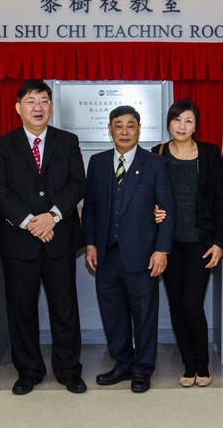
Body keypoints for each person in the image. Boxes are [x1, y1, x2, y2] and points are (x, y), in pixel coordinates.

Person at [0, 79, 87, 395]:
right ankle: (28, 371)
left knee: (65, 308)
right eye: (31, 101)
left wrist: (53, 216)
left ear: (51, 106)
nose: (38, 107)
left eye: (44, 100)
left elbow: (77, 183)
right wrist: (31, 221)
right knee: (21, 310)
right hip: (20, 241)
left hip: (59, 237)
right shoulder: (2, 145)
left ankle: (69, 370)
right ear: (18, 107)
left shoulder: (67, 141)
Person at [82, 105, 175, 393]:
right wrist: (90, 244)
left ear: (139, 128)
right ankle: (122, 363)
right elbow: (91, 209)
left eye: (130, 125)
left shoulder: (155, 163)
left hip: (144, 255)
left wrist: (162, 250)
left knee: (144, 314)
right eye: (118, 125)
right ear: (109, 129)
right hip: (107, 254)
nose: (124, 131)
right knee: (113, 313)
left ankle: (143, 368)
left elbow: (167, 209)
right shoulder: (97, 163)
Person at [151, 99, 223, 387]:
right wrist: (151, 210)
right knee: (176, 305)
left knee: (192, 305)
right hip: (169, 243)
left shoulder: (209, 154)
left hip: (200, 242)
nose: (182, 126)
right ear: (169, 122)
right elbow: (146, 195)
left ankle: (202, 365)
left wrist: (220, 241)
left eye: (188, 121)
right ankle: (188, 367)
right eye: (177, 120)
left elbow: (221, 199)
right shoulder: (156, 154)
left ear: (196, 125)